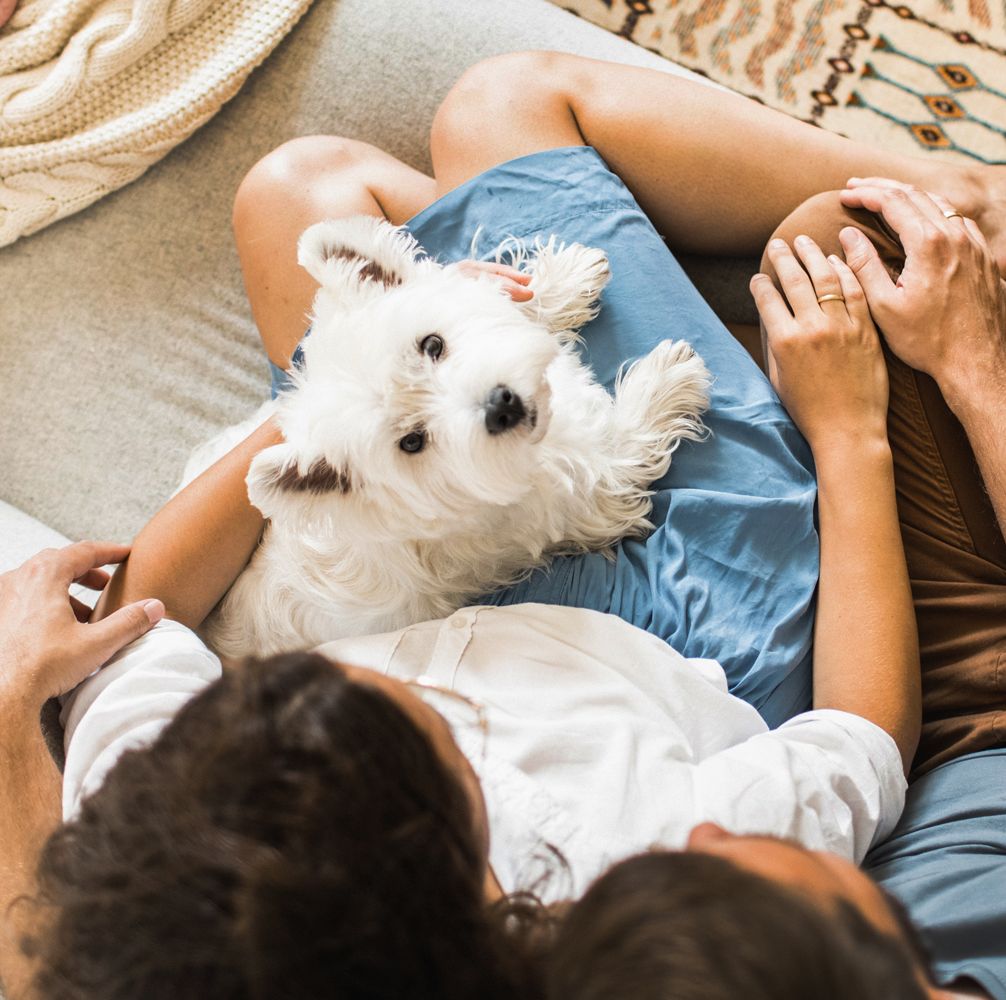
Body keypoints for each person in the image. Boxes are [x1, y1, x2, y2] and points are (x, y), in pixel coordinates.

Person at [0, 50, 1002, 998]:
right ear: (469, 863)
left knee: (298, 195)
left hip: (478, 598)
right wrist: (845, 431)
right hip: (709, 632)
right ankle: (958, 205)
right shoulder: (644, 869)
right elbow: (858, 736)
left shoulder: (172, 839)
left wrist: (349, 380)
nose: (370, 670)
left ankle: (695, 304)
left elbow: (137, 623)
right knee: (502, 109)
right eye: (421, 720)